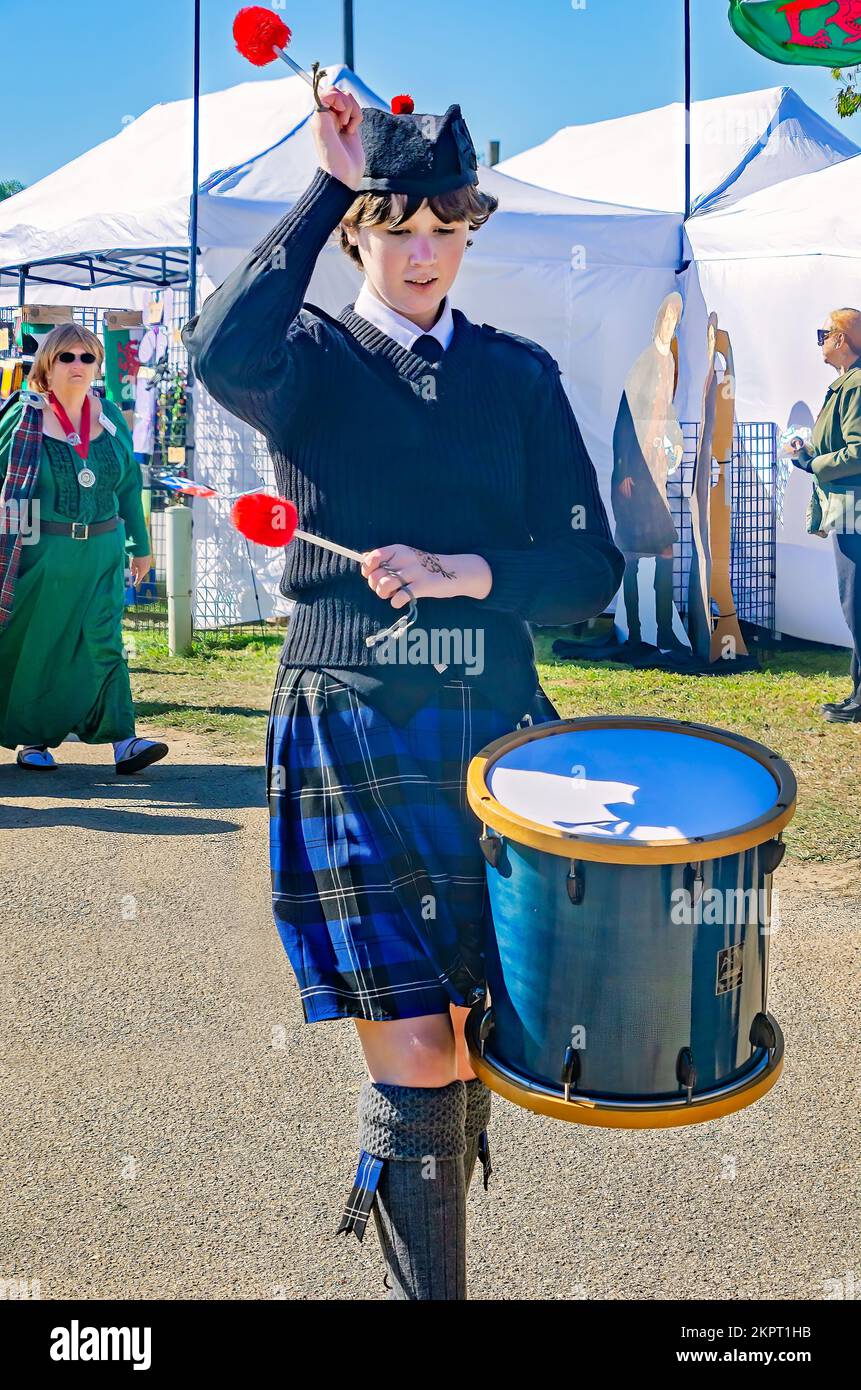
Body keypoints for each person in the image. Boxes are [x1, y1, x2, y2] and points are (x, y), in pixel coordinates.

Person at [182, 87, 623, 1301]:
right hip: (347, 718)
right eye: (395, 225)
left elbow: (589, 571)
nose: (423, 250)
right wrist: (323, 182)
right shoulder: (305, 362)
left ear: (471, 231)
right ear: (361, 234)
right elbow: (214, 349)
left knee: (476, 1037)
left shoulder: (519, 378)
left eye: (446, 227)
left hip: (493, 734)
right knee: (422, 1050)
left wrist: (470, 573)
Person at [0, 324, 169, 772]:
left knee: (105, 640)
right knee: (42, 645)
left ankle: (123, 740)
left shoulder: (109, 413)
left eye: (87, 357)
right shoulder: (24, 416)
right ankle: (33, 741)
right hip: (44, 552)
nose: (78, 365)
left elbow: (129, 484)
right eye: (66, 357)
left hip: (102, 550)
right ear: (46, 366)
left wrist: (140, 544)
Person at [789, 308, 861, 723]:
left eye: (825, 333)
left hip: (855, 511)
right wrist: (810, 456)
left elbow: (858, 451)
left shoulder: (856, 385)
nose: (821, 341)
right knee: (856, 603)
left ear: (843, 339)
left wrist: (817, 464)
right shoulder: (847, 384)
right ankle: (857, 692)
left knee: (857, 603)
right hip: (850, 509)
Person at [610, 292, 686, 652]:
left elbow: (666, 417)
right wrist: (624, 468)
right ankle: (636, 632)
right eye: (666, 320)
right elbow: (625, 421)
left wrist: (674, 447)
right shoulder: (644, 364)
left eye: (675, 322)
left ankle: (663, 630)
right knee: (632, 551)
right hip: (635, 473)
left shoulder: (668, 362)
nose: (669, 327)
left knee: (664, 547)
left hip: (656, 471)